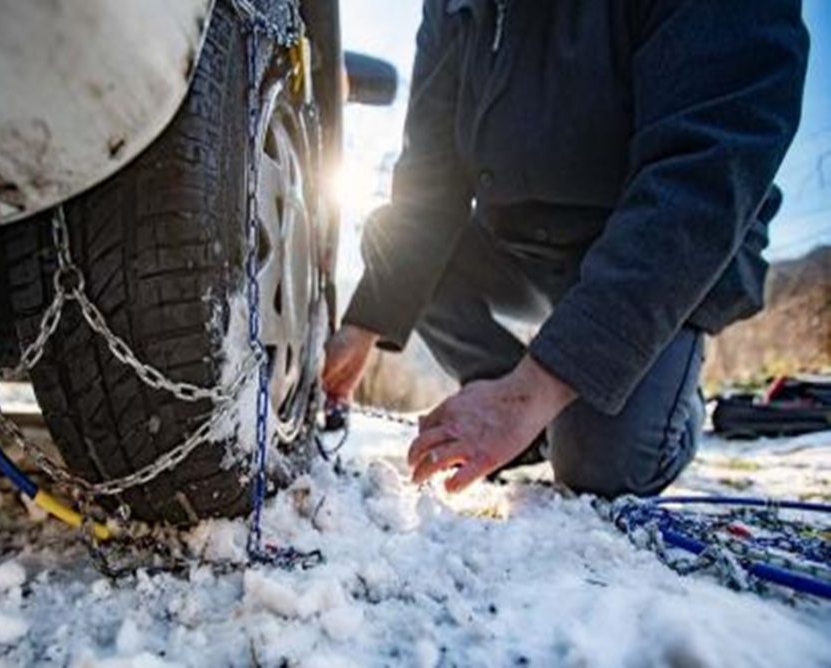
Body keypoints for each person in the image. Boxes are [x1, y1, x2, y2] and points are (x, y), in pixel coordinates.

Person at [322, 0, 809, 497]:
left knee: (601, 468)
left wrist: (532, 391)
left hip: (663, 251)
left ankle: (661, 394)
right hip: (523, 248)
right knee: (395, 243)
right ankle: (521, 411)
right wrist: (365, 323)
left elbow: (703, 175)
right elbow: (430, 179)